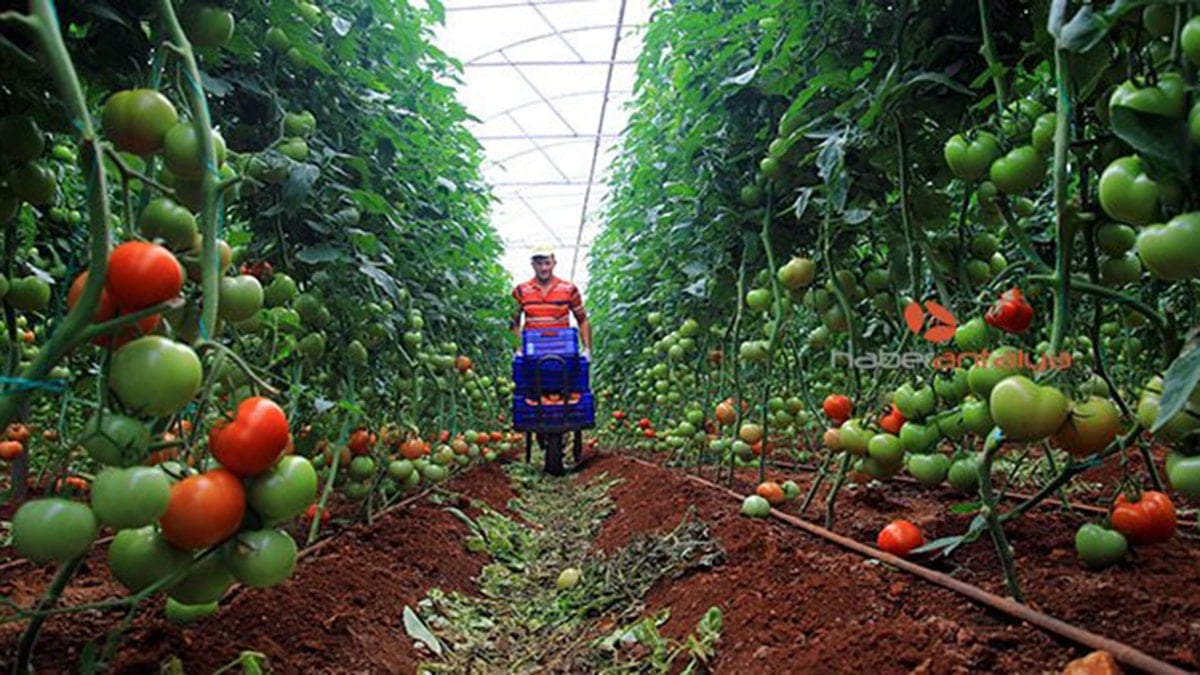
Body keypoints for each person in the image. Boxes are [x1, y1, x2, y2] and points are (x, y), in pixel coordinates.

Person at [510, 246, 592, 359]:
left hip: (563, 351)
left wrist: (587, 349)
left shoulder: (568, 289)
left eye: (547, 263)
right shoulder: (521, 290)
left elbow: (582, 319)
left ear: (554, 263)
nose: (543, 268)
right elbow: (514, 322)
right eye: (539, 264)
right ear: (533, 265)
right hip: (533, 352)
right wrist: (518, 349)